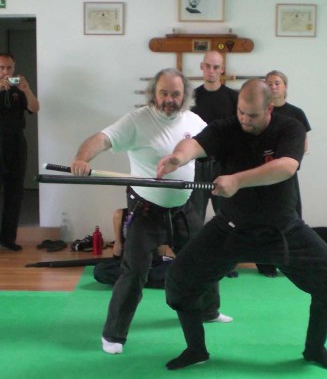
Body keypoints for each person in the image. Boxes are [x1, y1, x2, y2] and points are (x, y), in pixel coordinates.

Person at [157, 79, 327, 372]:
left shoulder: (290, 128)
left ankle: (314, 349)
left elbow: (286, 167)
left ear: (269, 108)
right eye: (241, 113)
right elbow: (194, 143)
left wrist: (237, 180)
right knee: (179, 280)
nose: (245, 120)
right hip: (231, 228)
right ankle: (195, 350)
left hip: (282, 229)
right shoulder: (226, 128)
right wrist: (177, 157)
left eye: (253, 115)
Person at [71, 68, 232, 355]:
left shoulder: (194, 121)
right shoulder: (137, 120)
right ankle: (113, 334)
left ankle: (209, 311)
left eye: (175, 94)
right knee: (134, 272)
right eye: (164, 93)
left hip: (183, 209)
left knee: (206, 260)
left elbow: (218, 147)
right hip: (145, 211)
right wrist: (82, 158)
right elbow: (102, 139)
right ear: (153, 94)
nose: (169, 99)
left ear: (185, 96)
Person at [255, 70, 312, 278]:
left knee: (291, 216)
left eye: (277, 83)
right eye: (269, 83)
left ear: (285, 86)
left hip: (287, 175)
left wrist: (287, 161)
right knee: (263, 218)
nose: (273, 86)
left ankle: (292, 262)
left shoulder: (296, 114)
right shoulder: (260, 112)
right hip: (263, 175)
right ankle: (265, 263)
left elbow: (303, 145)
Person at [189, 50, 238, 222]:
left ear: (222, 69)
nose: (211, 71)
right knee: (194, 217)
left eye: (216, 67)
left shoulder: (234, 98)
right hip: (196, 164)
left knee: (228, 216)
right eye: (208, 66)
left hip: (224, 164)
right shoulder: (190, 98)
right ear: (201, 67)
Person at [0, 53, 40, 251]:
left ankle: (8, 239)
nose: (5, 72)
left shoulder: (19, 89)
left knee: (15, 192)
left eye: (9, 68)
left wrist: (27, 90)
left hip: (16, 142)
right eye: (1, 68)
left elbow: (35, 107)